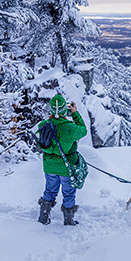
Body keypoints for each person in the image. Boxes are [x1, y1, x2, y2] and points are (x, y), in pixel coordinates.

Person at [37, 94, 87, 226]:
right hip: (66, 167)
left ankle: (43, 218)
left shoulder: (43, 126)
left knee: (50, 190)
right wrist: (75, 113)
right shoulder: (70, 127)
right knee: (68, 193)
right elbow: (83, 130)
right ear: (65, 109)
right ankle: (69, 220)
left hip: (50, 166)